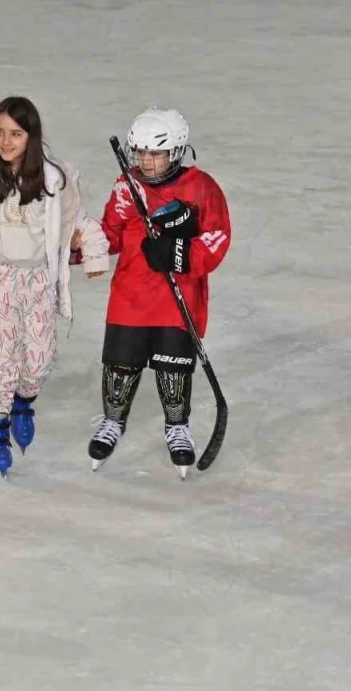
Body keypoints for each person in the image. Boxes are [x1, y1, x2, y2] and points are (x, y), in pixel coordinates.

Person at [0, 97, 109, 476]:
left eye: (15, 134)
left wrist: (93, 254)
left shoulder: (54, 179)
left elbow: (78, 222)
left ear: (31, 137)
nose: (5, 141)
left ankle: (23, 401)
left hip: (39, 280)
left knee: (37, 360)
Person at [88, 107, 231, 479]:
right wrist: (82, 245)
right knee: (120, 366)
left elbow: (216, 240)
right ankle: (112, 421)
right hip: (130, 297)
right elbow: (111, 233)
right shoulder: (126, 187)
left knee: (173, 369)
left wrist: (177, 254)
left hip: (177, 298)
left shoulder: (202, 188)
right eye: (141, 153)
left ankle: (176, 425)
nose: (147, 162)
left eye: (156, 154)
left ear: (177, 151)